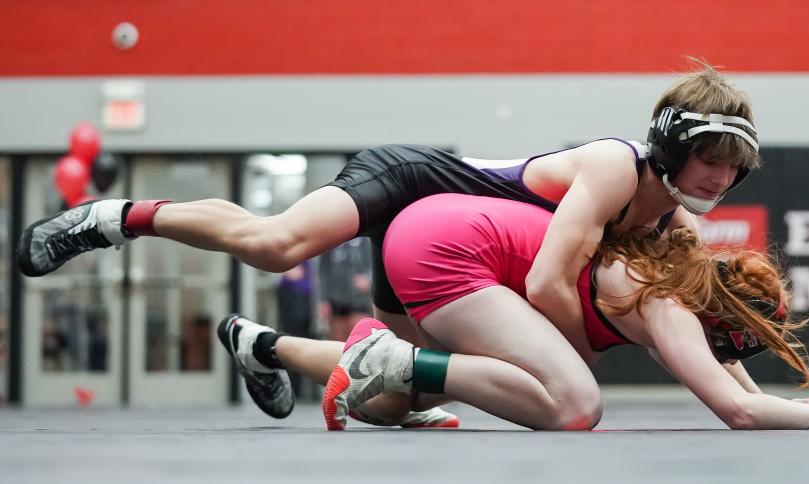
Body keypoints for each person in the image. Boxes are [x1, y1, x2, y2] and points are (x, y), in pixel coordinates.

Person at [18, 60, 760, 361]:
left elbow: (688, 331)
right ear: (671, 145)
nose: (722, 177)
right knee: (278, 244)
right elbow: (544, 285)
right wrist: (583, 353)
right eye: (712, 160)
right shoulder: (612, 169)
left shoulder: (678, 224)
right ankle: (117, 215)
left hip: (443, 248)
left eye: (734, 165)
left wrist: (731, 373)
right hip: (412, 183)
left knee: (407, 374)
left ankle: (263, 347)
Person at [221, 194, 809, 431]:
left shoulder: (678, 281)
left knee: (406, 395)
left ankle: (267, 344)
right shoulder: (670, 309)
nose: (732, 354)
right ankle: (393, 356)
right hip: (445, 246)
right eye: (736, 342)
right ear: (722, 323)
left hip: (437, 232)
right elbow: (738, 410)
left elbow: (743, 387)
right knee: (574, 403)